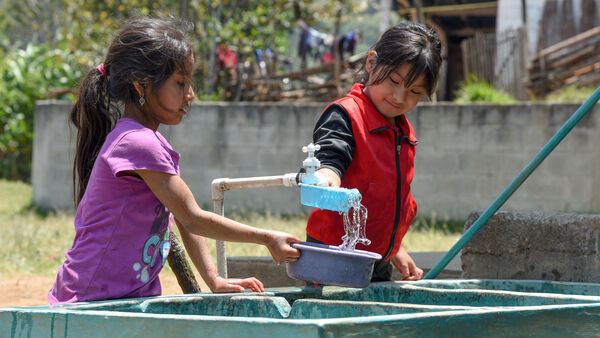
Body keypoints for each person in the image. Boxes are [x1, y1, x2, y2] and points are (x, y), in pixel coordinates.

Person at [48, 16, 300, 304]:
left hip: (120, 297)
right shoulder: (138, 142)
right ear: (141, 86)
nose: (190, 94)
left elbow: (182, 216)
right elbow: (193, 218)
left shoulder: (146, 141)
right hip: (89, 299)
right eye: (180, 83)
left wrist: (213, 279)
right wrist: (267, 237)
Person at [306, 22, 442, 282]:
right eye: (394, 81)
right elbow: (332, 156)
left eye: (415, 91)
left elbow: (387, 199)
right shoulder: (345, 115)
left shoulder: (402, 130)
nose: (400, 97)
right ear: (371, 63)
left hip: (377, 258)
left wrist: (395, 248)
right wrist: (326, 177)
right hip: (334, 256)